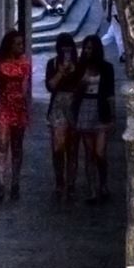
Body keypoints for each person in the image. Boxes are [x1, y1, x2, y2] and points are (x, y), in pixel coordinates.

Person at [0, 27, 31, 203]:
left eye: (22, 44)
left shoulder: (25, 62)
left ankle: (15, 182)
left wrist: (26, 107)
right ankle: (1, 183)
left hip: (18, 105)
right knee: (2, 144)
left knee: (17, 146)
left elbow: (26, 86)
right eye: (17, 44)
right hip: (4, 104)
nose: (21, 47)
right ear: (10, 45)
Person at [73, 31, 116, 203]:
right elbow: (76, 93)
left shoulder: (107, 69)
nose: (87, 51)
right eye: (86, 48)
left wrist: (113, 117)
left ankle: (103, 183)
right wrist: (82, 82)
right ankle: (92, 189)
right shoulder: (80, 68)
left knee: (100, 152)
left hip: (101, 109)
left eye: (90, 48)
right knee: (89, 152)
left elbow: (110, 93)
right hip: (86, 107)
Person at [44, 39, 78, 202]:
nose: (66, 53)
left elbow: (82, 86)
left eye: (69, 49)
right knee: (58, 147)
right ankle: (59, 180)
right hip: (58, 105)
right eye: (63, 50)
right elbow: (50, 86)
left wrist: (74, 71)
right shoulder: (52, 64)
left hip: (74, 106)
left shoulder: (79, 65)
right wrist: (61, 72)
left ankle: (71, 182)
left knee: (72, 147)